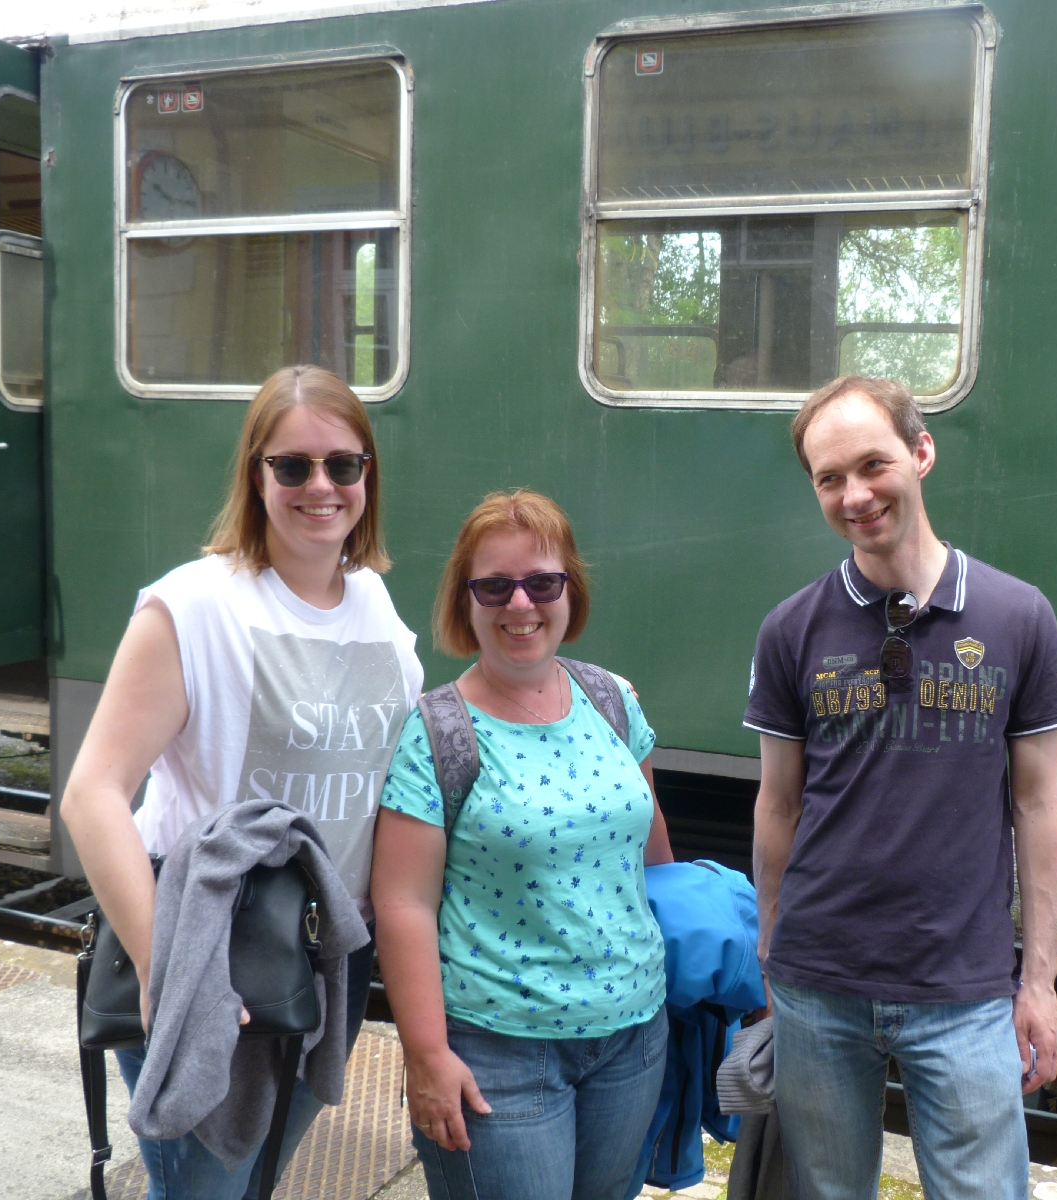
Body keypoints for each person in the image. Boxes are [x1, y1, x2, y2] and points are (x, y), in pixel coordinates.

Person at [60, 364, 423, 1200]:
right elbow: (93, 792)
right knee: (206, 1190)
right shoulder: (194, 607)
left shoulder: (375, 605)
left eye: (344, 464)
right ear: (256, 476)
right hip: (209, 951)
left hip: (317, 960)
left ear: (370, 473)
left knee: (252, 1184)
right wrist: (170, 976)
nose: (320, 486)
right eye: (291, 465)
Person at [745, 375, 1057, 1200]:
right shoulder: (792, 629)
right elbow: (779, 803)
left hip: (961, 990)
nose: (855, 495)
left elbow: (1038, 803)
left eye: (873, 465)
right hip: (819, 985)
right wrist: (772, 955)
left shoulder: (1018, 615)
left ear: (922, 453)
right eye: (829, 478)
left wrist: (1038, 981)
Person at [373, 489, 674, 1200]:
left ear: (570, 589)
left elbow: (651, 854)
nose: (520, 604)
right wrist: (426, 1056)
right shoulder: (437, 732)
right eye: (494, 585)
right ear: (464, 598)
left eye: (541, 582)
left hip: (632, 1042)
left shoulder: (612, 701)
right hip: (500, 1054)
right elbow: (402, 904)